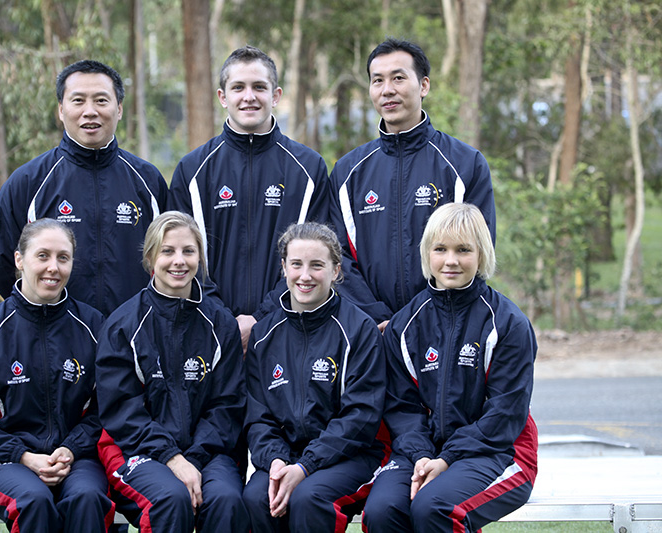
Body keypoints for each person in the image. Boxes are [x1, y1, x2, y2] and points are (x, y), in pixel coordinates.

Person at [362, 203, 538, 532]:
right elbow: (400, 406)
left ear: (482, 254)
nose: (451, 260)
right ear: (427, 253)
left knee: (436, 508)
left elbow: (505, 414)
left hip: (499, 450)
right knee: (383, 511)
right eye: (440, 249)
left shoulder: (508, 323)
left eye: (463, 250)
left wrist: (446, 460)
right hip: (421, 451)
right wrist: (422, 456)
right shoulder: (405, 324)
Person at [0, 218, 113, 533]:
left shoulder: (95, 328)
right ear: (19, 260)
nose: (53, 267)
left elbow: (109, 408)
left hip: (76, 457)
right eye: (43, 255)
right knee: (34, 500)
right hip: (5, 460)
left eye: (63, 258)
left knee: (88, 496)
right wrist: (23, 456)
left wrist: (71, 449)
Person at [96, 211, 249, 533]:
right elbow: (122, 412)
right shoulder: (124, 326)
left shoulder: (221, 324)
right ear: (151, 256)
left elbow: (228, 406)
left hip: (208, 451)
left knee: (225, 499)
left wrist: (192, 459)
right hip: (136, 451)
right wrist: (172, 458)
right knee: (171, 498)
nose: (178, 261)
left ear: (200, 257)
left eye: (188, 251)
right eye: (168, 251)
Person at [169, 45, 330, 351]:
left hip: (290, 330)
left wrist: (261, 318)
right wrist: (225, 322)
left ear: (276, 95)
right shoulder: (192, 170)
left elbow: (319, 255)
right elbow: (178, 257)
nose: (249, 96)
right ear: (222, 97)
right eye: (238, 87)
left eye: (259, 87)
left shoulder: (308, 169)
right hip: (208, 330)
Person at [329, 38, 496, 330]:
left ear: (424, 86)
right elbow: (336, 255)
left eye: (398, 78)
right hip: (372, 332)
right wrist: (376, 318)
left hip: (444, 328)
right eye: (377, 80)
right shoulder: (347, 171)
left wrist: (419, 317)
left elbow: (478, 250)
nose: (387, 90)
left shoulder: (465, 164)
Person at [0, 59, 167, 316]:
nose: (90, 111)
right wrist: (39, 315)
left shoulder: (148, 180)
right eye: (78, 100)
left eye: (101, 101)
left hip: (135, 337)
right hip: (57, 342)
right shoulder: (28, 182)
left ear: (119, 109)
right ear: (61, 109)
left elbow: (171, 258)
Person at [243, 222, 385, 532]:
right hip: (287, 455)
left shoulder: (359, 331)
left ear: (336, 270)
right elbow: (257, 417)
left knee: (308, 497)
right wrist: (277, 461)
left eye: (317, 266)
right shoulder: (263, 335)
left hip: (351, 456)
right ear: (284, 268)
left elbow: (361, 417)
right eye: (296, 264)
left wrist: (306, 466)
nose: (305, 276)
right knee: (256, 497)